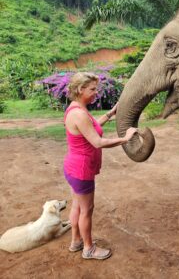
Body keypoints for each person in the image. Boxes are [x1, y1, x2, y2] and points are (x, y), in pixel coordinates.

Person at [63, 72, 137, 260]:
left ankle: (76, 242)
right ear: (81, 89)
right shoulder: (79, 113)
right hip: (82, 170)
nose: (97, 93)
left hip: (73, 167)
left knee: (77, 207)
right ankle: (88, 249)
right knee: (86, 210)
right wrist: (125, 138)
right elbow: (97, 141)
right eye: (93, 89)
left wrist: (110, 114)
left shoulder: (75, 108)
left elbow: (92, 126)